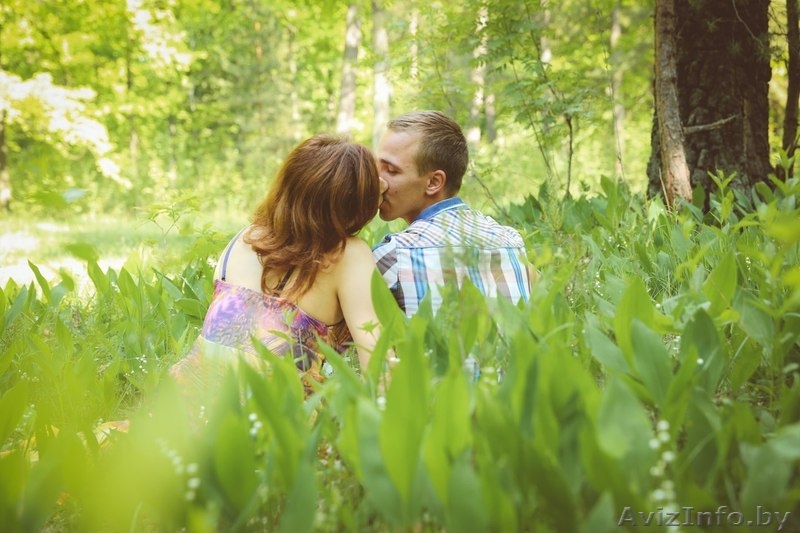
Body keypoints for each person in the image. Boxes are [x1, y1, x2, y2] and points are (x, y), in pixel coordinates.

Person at [170, 134, 388, 397]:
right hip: (268, 425)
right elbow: (378, 363)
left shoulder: (245, 238)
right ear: (355, 206)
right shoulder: (348, 255)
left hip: (179, 413)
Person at [372, 110, 532, 317]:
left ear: (433, 182)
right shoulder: (511, 240)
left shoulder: (393, 255)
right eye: (376, 167)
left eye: (390, 171)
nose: (377, 181)